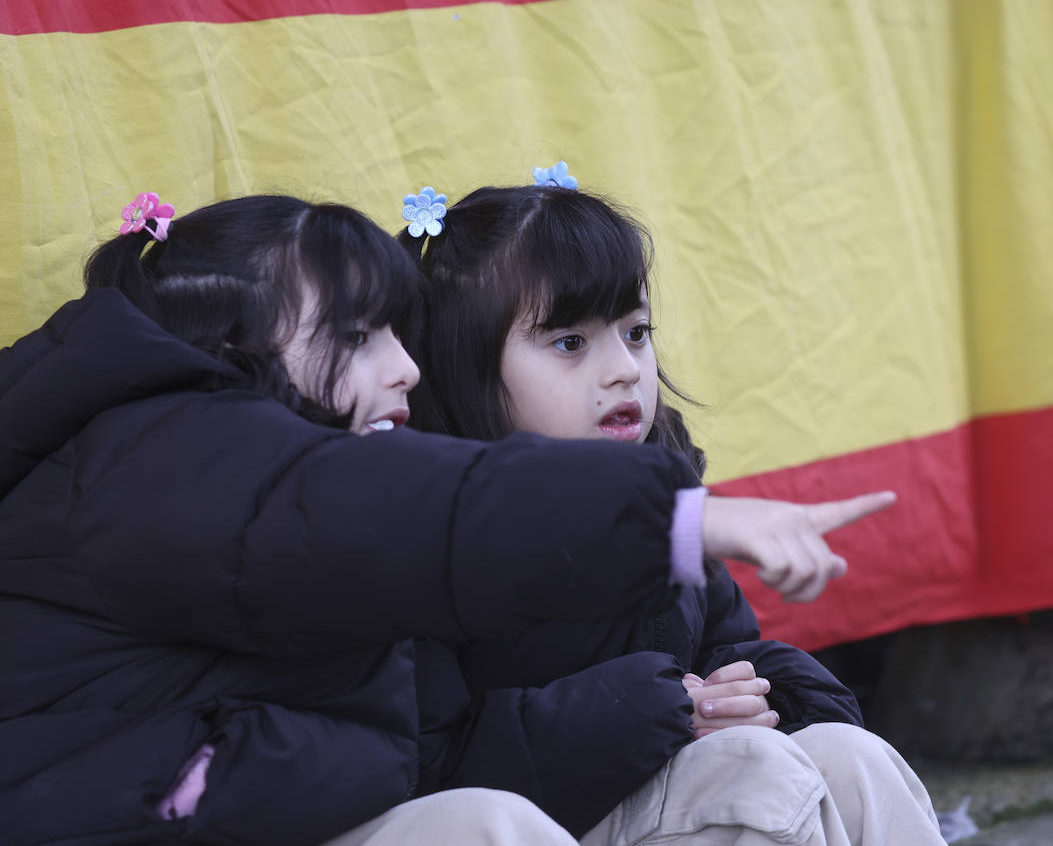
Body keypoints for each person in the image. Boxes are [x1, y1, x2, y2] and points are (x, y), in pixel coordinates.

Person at [0, 192, 891, 845]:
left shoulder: (308, 488)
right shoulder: (162, 460)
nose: (403, 368)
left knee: (835, 758)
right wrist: (681, 543)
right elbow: (450, 539)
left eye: (636, 334)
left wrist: (778, 701)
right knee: (480, 826)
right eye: (358, 338)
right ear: (242, 347)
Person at [399, 169, 946, 845]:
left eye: (635, 331)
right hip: (533, 823)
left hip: (655, 787)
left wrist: (761, 698)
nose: (625, 367)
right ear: (465, 372)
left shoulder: (671, 495)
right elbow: (433, 768)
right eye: (571, 343)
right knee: (754, 774)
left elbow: (727, 647)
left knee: (850, 757)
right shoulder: (423, 541)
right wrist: (662, 707)